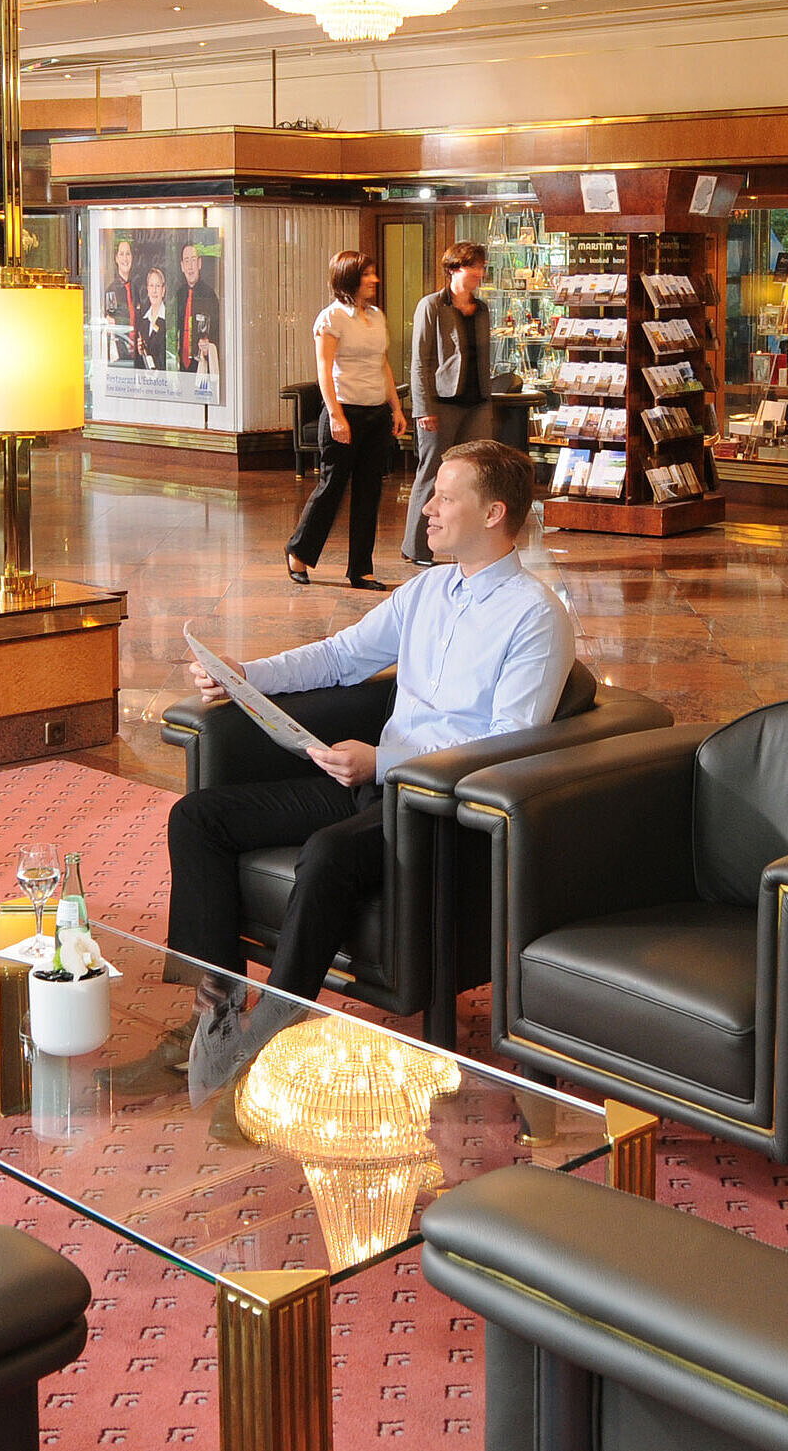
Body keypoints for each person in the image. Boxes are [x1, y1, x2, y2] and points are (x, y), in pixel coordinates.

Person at [170, 440, 573, 1092]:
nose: (427, 507)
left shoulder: (535, 616)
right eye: (432, 492)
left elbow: (512, 740)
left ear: (495, 511)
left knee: (328, 853)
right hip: (369, 786)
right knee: (198, 817)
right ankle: (218, 1008)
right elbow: (341, 655)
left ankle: (271, 1036)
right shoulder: (429, 589)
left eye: (445, 495)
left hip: (441, 807)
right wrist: (247, 675)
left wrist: (384, 759)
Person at [286, 250, 407, 590]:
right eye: (367, 274)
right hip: (345, 412)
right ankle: (299, 552)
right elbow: (324, 369)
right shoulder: (331, 318)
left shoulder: (376, 316)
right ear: (349, 278)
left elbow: (382, 364)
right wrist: (336, 416)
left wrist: (395, 408)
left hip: (375, 413)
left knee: (370, 491)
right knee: (332, 489)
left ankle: (361, 569)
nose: (375, 280)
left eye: (373, 273)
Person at [404, 240, 494, 566]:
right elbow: (419, 362)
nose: (481, 273)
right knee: (431, 474)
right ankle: (416, 547)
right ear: (456, 268)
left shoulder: (482, 309)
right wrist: (423, 408)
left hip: (477, 401)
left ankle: (466, 544)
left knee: (473, 475)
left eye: (482, 266)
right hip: (440, 404)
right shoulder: (431, 306)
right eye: (476, 267)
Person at [174, 240, 220, 375]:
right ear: (182, 266)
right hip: (182, 368)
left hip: (202, 367)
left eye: (193, 260)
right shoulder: (180, 294)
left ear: (199, 264)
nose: (190, 266)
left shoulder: (209, 295)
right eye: (186, 261)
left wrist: (209, 347)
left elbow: (218, 332)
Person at [102, 236, 143, 366]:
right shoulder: (111, 291)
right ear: (116, 258)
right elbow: (111, 325)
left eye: (128, 254)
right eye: (121, 254)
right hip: (120, 358)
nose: (125, 258)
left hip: (136, 355)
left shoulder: (135, 288)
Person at [138, 264, 172, 370]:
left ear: (163, 290)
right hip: (148, 382)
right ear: (147, 290)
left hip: (164, 381)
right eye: (151, 286)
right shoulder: (143, 321)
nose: (154, 290)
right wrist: (141, 352)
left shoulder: (169, 319)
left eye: (158, 286)